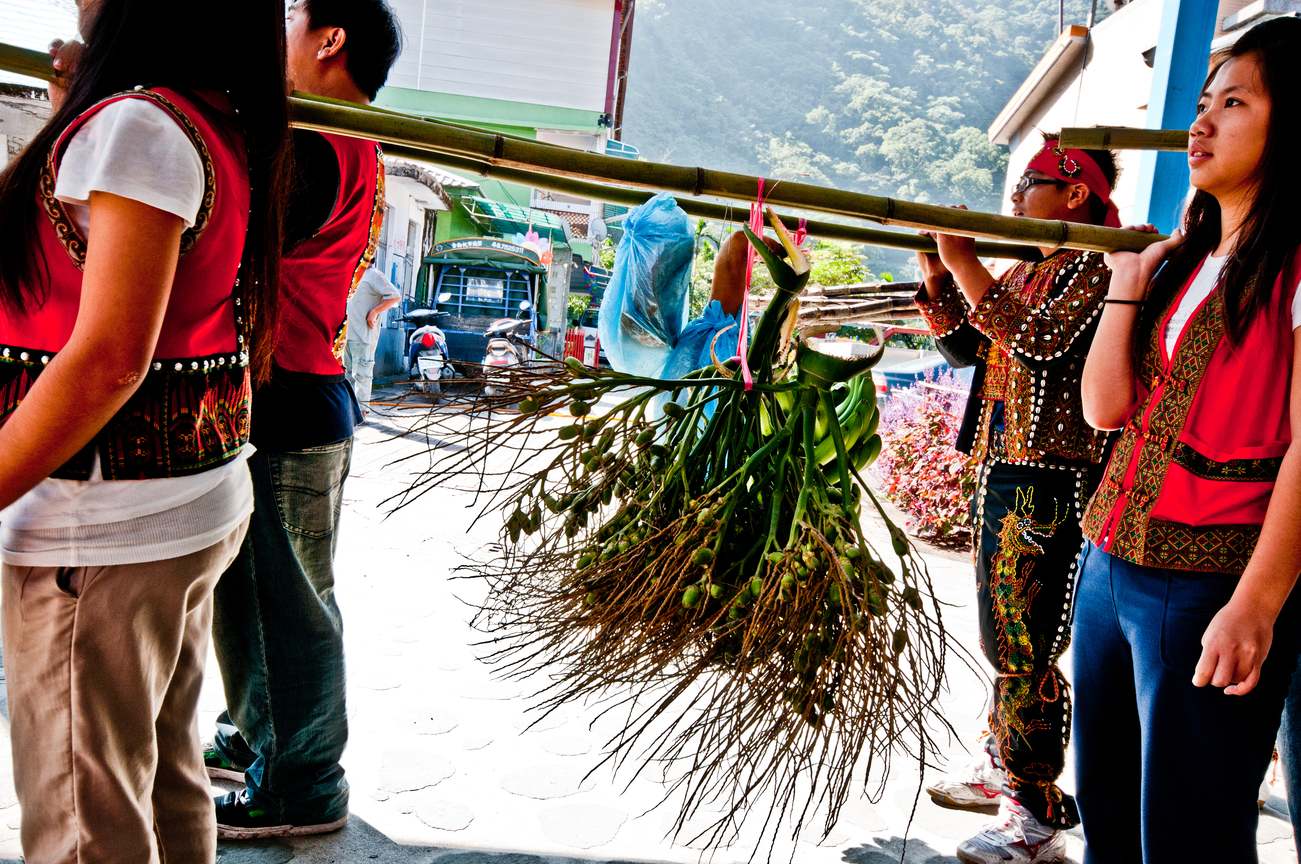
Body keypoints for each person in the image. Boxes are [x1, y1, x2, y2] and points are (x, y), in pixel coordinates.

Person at [0, 0, 289, 859]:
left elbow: (108, 360)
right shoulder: (206, 118)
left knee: (85, 823)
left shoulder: (138, 126)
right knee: (159, 776)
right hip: (176, 510)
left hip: (101, 529)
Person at [1074, 18, 1301, 862]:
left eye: (1232, 103)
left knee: (1186, 834)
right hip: (1108, 563)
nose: (1199, 122)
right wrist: (1126, 286)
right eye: (1203, 101)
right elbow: (1106, 410)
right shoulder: (1182, 258)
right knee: (1107, 811)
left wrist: (1256, 603)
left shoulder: (1295, 267)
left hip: (1211, 584)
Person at [205, 0, 401, 838]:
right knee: (262, 594)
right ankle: (258, 735)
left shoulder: (316, 143)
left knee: (281, 604)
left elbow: (225, 234)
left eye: (291, 12)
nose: (276, 23)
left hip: (286, 392)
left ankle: (301, 781)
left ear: (329, 39)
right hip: (305, 385)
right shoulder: (357, 143)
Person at [913, 133, 1123, 864]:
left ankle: (1034, 812)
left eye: (1029, 182)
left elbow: (1039, 342)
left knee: (1023, 644)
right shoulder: (1031, 268)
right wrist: (939, 274)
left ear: (1074, 194)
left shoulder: (1098, 265)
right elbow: (971, 351)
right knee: (1002, 635)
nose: (1014, 196)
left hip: (1048, 480)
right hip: (1003, 467)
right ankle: (1006, 764)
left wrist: (965, 262)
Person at [344, 266, 402, 412]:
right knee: (346, 377)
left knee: (362, 377)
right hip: (345, 336)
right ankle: (349, 414)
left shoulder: (373, 274)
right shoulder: (351, 273)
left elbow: (395, 296)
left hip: (363, 336)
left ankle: (361, 414)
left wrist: (374, 312)